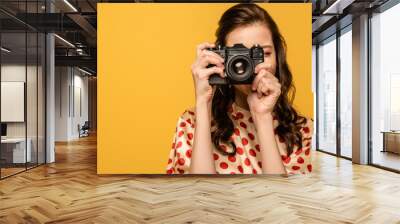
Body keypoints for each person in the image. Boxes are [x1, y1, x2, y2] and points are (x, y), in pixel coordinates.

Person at [166, 3, 313, 175]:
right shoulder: (191, 123)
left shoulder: (303, 131)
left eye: (261, 54)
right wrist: (202, 104)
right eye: (239, 54)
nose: (247, 65)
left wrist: (263, 117)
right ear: (221, 59)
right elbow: (200, 197)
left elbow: (281, 200)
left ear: (278, 58)